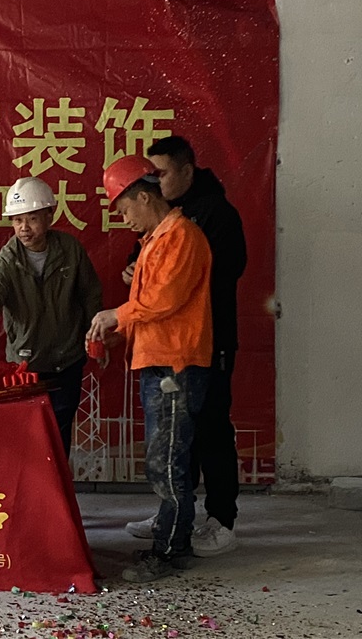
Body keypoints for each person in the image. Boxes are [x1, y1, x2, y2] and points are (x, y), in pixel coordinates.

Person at [88, 154, 212, 583]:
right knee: (166, 457)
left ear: (143, 197)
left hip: (174, 365)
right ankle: (172, 537)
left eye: (124, 209)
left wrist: (115, 316)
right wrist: (118, 334)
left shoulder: (181, 236)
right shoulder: (157, 241)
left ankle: (171, 548)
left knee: (167, 459)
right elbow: (151, 309)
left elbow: (163, 300)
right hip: (161, 362)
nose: (124, 219)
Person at [123, 136, 247, 558]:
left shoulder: (208, 218)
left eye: (160, 174)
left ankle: (220, 518)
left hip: (203, 341)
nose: (154, 181)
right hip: (167, 345)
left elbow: (190, 286)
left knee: (210, 428)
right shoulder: (159, 228)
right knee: (177, 440)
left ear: (186, 170)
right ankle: (176, 516)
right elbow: (149, 280)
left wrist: (158, 291)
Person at [0, 177, 103, 458]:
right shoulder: (8, 258)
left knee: (60, 431)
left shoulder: (70, 250)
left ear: (49, 216)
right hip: (25, 365)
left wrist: (96, 336)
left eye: (31, 218)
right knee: (26, 435)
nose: (24, 228)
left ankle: (57, 485)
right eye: (17, 220)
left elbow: (90, 295)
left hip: (67, 360)